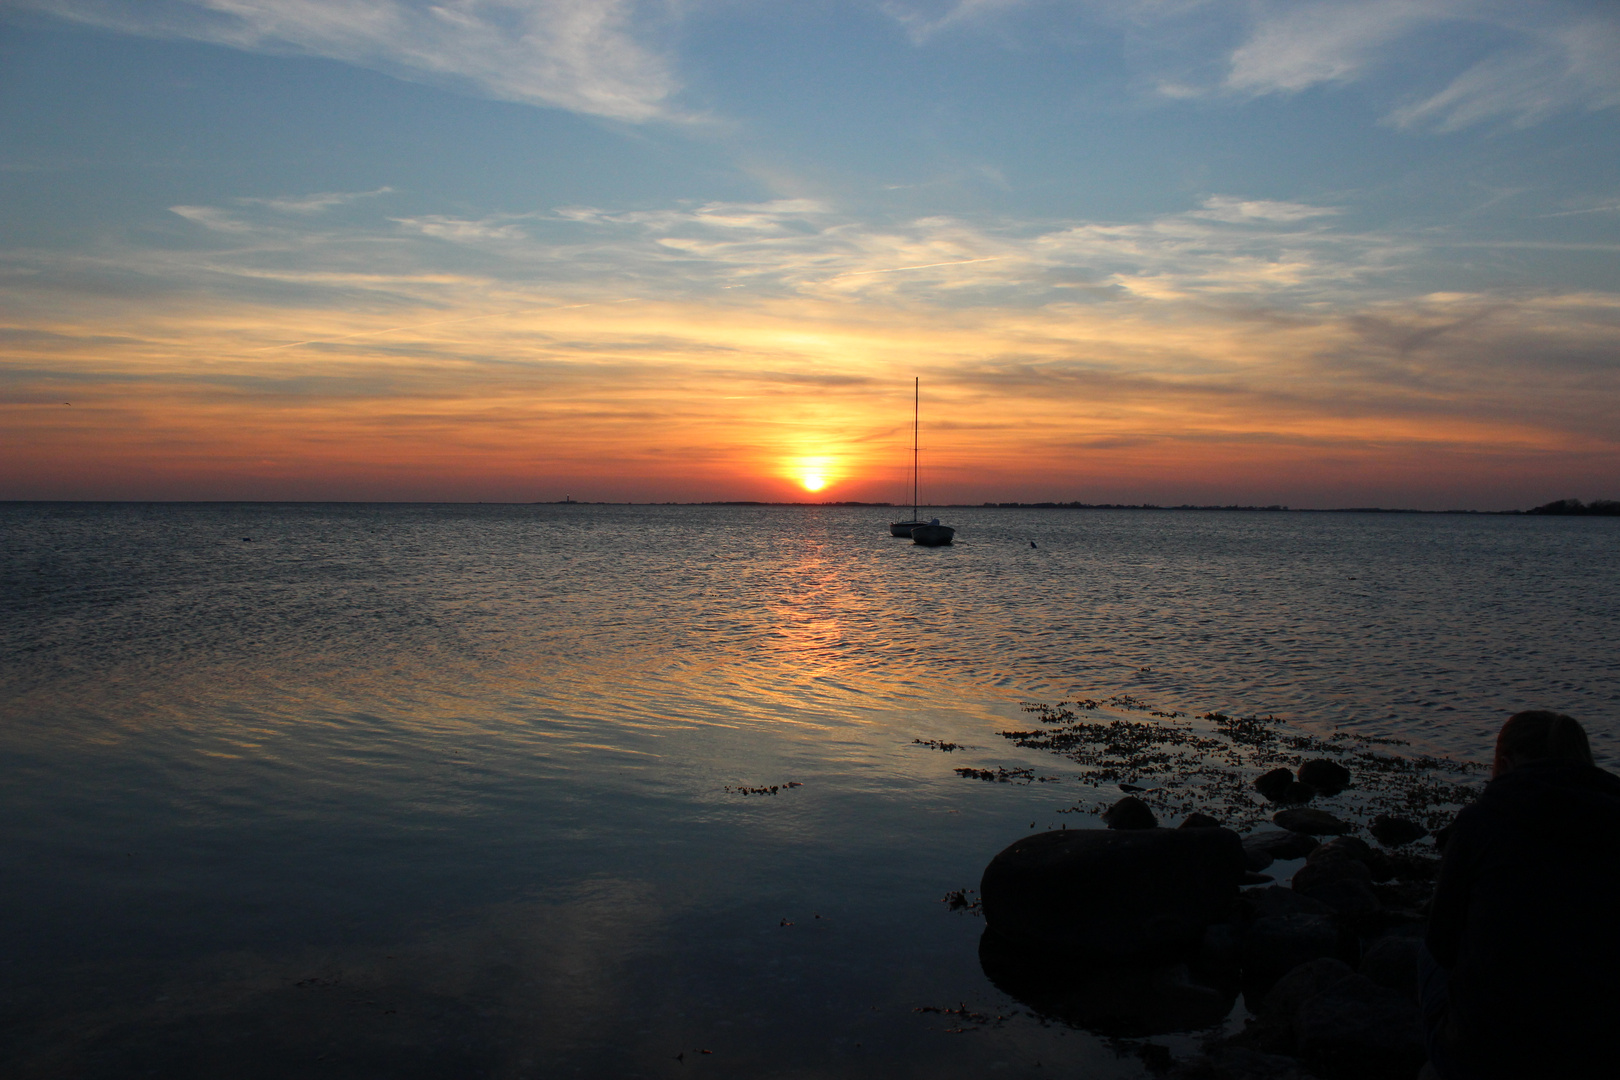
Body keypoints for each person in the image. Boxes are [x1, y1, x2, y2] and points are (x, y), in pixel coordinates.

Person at [1421, 711, 1620, 1079]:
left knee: (1425, 953)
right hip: (1602, 1048)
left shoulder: (1481, 821)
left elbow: (1441, 944)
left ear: (1506, 763)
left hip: (1488, 1054)